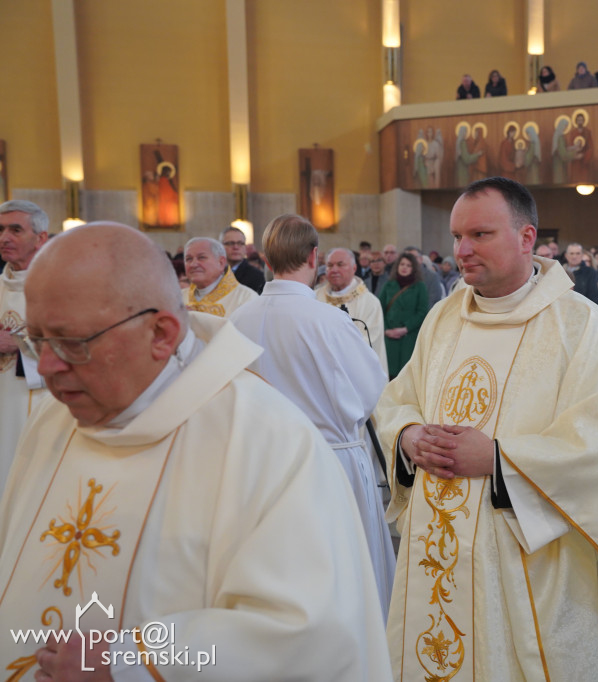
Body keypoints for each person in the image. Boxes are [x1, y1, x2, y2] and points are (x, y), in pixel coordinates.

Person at [0, 222, 390, 680]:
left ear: (162, 334)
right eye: (37, 340)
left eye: (71, 343)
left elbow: (302, 634)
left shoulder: (267, 442)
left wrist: (130, 665)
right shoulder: (53, 420)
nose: (46, 368)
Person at [376, 179, 598, 680]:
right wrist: (408, 436)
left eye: (479, 234)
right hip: (438, 552)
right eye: (456, 237)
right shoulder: (444, 318)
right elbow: (398, 398)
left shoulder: (579, 326)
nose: (462, 251)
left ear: (526, 237)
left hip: (526, 564)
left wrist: (497, 459)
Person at [231, 217, 392, 617]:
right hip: (330, 463)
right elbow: (370, 391)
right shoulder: (328, 319)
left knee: (280, 579)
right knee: (345, 585)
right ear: (314, 256)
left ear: (265, 259)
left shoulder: (238, 322)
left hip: (261, 467)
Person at [0, 200, 48, 492]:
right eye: (1, 229)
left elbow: (80, 344)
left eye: (15, 230)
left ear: (41, 237)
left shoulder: (62, 286)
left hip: (38, 404)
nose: (4, 237)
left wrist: (19, 345)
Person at [316, 247, 388, 370]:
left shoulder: (370, 303)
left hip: (355, 373)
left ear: (354, 268)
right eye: (330, 265)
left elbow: (369, 343)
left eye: (340, 265)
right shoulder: (314, 297)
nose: (334, 270)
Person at [378, 252, 428, 379]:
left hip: (409, 338)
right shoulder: (389, 285)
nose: (404, 267)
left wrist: (405, 328)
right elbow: (379, 310)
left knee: (406, 376)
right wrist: (386, 330)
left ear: (414, 268)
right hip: (389, 338)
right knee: (388, 375)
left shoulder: (420, 287)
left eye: (408, 265)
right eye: (402, 264)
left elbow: (422, 312)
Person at [182, 236, 257, 317]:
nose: (193, 264)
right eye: (188, 259)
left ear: (221, 263)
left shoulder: (246, 298)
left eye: (201, 257)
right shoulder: (178, 297)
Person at [220, 225, 265, 293]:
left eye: (240, 243)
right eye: (231, 243)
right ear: (220, 246)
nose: (236, 247)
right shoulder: (213, 273)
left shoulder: (256, 276)